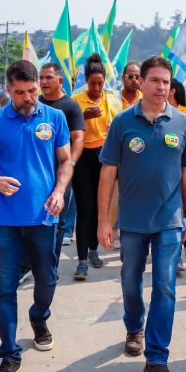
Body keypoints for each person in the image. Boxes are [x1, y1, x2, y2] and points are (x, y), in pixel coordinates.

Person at [97, 55, 186, 372]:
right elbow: (108, 173)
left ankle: (157, 360)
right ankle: (133, 327)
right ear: (141, 82)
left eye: (166, 82)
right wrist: (103, 222)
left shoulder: (183, 124)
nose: (161, 87)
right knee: (130, 281)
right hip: (133, 222)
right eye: (154, 80)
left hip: (169, 223)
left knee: (166, 287)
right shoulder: (123, 122)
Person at [0, 60, 72, 372]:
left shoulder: (55, 118)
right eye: (20, 92)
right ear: (8, 90)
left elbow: (65, 161)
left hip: (45, 217)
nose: (29, 97)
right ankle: (9, 354)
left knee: (48, 278)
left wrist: (60, 191)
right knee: (4, 288)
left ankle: (38, 317)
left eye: (33, 90)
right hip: (5, 221)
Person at [71, 54, 120, 280]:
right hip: (82, 157)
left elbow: (118, 125)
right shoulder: (76, 100)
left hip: (103, 156)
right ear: (86, 81)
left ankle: (93, 250)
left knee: (100, 207)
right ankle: (81, 261)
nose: (97, 88)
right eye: (93, 83)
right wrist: (83, 116)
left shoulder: (110, 99)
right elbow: (66, 127)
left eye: (100, 83)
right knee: (85, 208)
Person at [39, 62, 86, 250]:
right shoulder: (34, 103)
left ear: (60, 80)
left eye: (48, 77)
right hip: (37, 170)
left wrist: (70, 163)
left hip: (59, 173)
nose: (44, 81)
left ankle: (51, 265)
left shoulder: (70, 106)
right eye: (41, 78)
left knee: (56, 219)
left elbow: (78, 139)